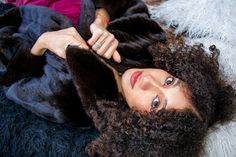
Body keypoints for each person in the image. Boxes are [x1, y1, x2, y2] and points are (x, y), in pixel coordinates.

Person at [0, 1, 235, 157]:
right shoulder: (148, 42)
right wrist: (101, 19)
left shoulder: (72, 102)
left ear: (145, 127)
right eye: (169, 82)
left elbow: (14, 80)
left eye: (156, 103)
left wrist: (45, 41)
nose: (147, 81)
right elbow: (129, 3)